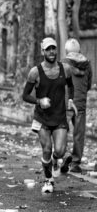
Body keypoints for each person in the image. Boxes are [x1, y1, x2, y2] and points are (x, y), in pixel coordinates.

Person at [22, 37, 77, 194]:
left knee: (59, 151)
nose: (52, 51)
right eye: (48, 49)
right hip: (42, 118)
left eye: (53, 48)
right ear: (43, 51)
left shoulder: (65, 69)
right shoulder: (35, 72)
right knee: (47, 149)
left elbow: (71, 86)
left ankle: (55, 162)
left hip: (59, 117)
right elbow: (25, 96)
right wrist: (39, 101)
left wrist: (71, 100)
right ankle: (48, 180)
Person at [61, 38, 92, 173]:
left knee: (61, 131)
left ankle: (64, 156)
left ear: (66, 51)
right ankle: (75, 163)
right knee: (79, 133)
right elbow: (89, 85)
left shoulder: (63, 63)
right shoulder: (88, 64)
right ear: (79, 50)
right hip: (80, 103)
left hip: (66, 103)